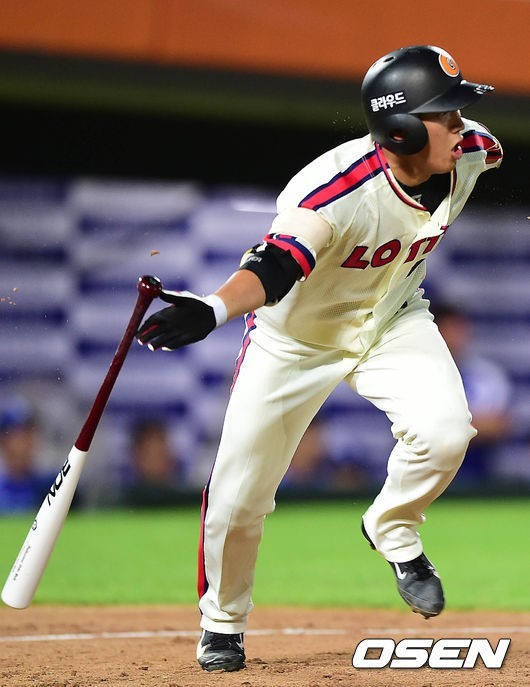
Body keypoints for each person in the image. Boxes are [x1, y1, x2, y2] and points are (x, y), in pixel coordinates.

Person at [137, 45, 502, 672]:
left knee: (445, 433)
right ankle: (222, 622)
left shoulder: (473, 150)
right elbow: (275, 265)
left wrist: (453, 124)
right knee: (238, 496)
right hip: (293, 341)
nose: (460, 123)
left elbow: (475, 144)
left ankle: (392, 527)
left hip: (391, 320)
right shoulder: (335, 191)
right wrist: (214, 309)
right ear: (402, 129)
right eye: (444, 113)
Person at [430, 301, 513, 488]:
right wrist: (473, 425)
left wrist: (444, 427)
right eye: (449, 328)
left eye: (459, 328)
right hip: (430, 469)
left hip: (480, 469)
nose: (456, 336)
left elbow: (499, 425)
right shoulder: (417, 374)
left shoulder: (487, 374)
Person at [0, 398, 54, 513]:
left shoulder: (50, 485)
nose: (22, 443)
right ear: (3, 441)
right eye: (15, 435)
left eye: (27, 434)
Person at [119, 418, 185, 507]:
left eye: (160, 453)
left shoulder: (185, 499)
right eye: (148, 453)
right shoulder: (120, 501)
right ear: (136, 456)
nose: (155, 461)